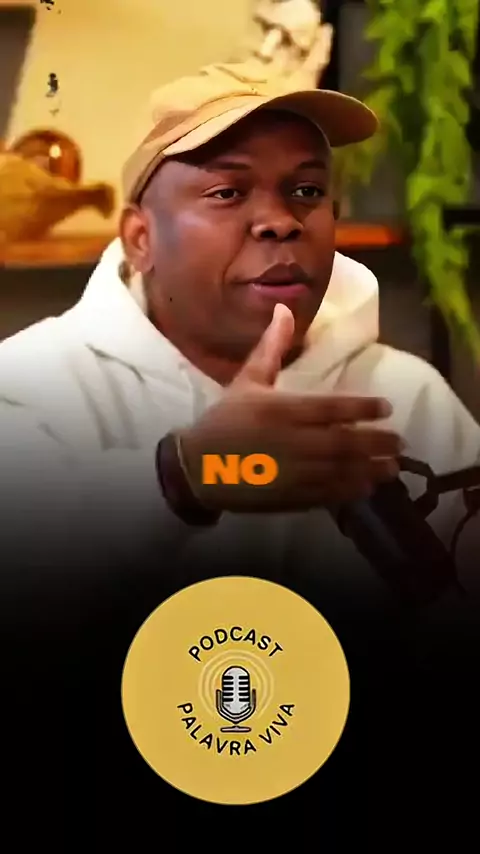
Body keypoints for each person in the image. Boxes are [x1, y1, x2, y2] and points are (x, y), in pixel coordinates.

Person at [1, 62, 479, 846]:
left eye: (306, 190)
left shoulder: (403, 396)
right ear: (140, 238)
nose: (280, 221)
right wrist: (191, 474)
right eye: (227, 192)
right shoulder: (28, 384)